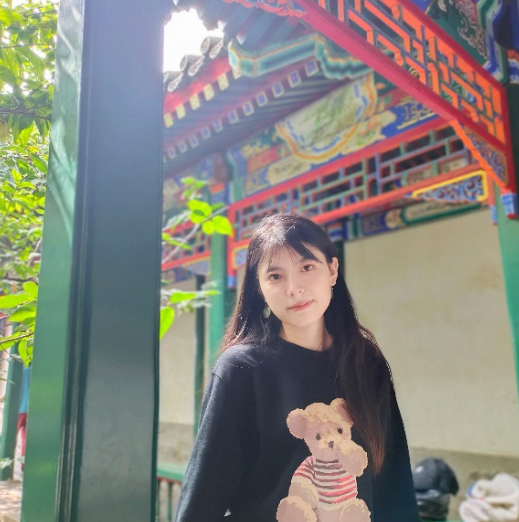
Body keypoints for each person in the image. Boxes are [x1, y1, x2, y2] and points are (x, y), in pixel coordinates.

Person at [175, 214, 419, 522]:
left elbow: (394, 485)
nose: (294, 288)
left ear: (332, 270)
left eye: (307, 267)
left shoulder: (366, 364)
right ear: (259, 288)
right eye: (275, 276)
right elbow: (204, 497)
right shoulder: (242, 369)